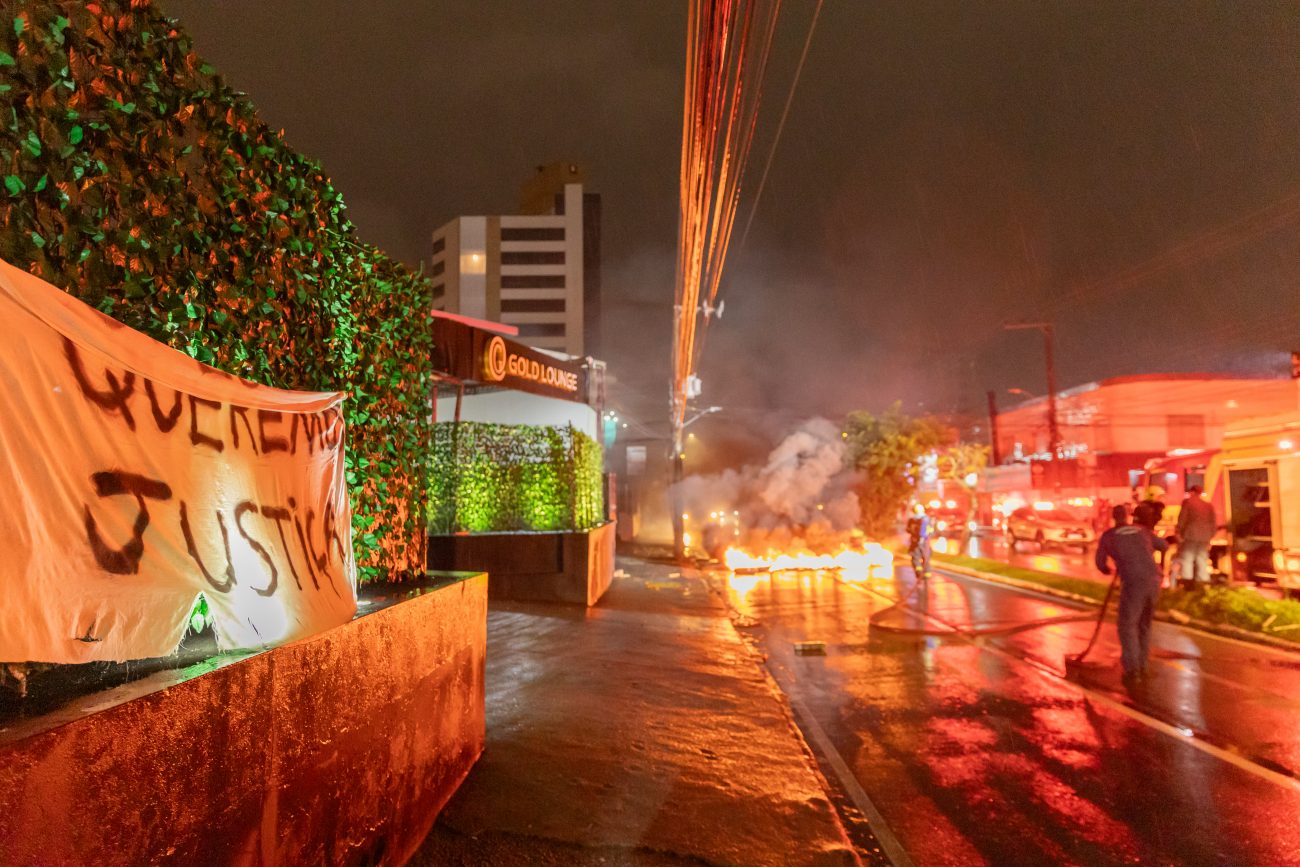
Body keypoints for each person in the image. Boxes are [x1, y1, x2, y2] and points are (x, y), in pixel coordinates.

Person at [1095, 503, 1168, 685]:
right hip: (1153, 580)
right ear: (1127, 517)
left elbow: (1100, 562)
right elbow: (1164, 546)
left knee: (1127, 626)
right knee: (1144, 625)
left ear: (1114, 517)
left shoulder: (1108, 536)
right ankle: (1143, 666)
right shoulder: (1141, 531)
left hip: (1134, 582)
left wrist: (1108, 569)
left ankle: (1133, 670)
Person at [1174, 485, 1217, 585]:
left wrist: (1178, 531)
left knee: (1187, 558)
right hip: (1205, 536)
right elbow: (1213, 522)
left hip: (1191, 534)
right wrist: (1211, 535)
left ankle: (1187, 581)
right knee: (1202, 558)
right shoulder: (1208, 505)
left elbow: (1182, 519)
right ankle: (1203, 580)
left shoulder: (1188, 503)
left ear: (1192, 492)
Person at [906, 503, 933, 581]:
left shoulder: (912, 520)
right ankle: (927, 574)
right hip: (925, 543)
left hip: (915, 542)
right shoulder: (927, 519)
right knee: (926, 557)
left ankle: (919, 572)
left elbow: (908, 530)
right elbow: (931, 531)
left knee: (915, 558)